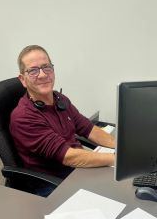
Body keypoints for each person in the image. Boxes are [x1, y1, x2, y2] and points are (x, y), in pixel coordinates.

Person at [9, 45, 115, 196]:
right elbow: (68, 157)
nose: (42, 75)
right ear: (23, 79)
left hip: (77, 170)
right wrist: (115, 159)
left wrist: (122, 149)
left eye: (46, 67)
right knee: (116, 195)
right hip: (53, 184)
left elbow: (88, 129)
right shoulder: (24, 117)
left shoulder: (60, 99)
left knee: (125, 185)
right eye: (33, 70)